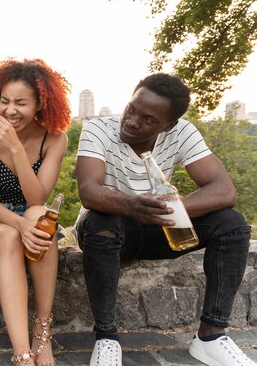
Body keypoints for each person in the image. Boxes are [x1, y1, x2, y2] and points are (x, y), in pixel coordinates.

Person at [75, 73, 254, 366]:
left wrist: (172, 209)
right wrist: (132, 204)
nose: (132, 121)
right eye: (132, 109)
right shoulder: (98, 129)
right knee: (101, 221)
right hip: (114, 229)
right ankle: (106, 338)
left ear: (168, 125)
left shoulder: (182, 132)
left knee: (232, 224)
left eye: (148, 119)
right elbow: (89, 191)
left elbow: (224, 190)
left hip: (161, 226)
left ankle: (211, 336)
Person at [0, 59, 71, 366]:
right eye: (5, 101)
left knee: (39, 214)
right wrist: (18, 224)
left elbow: (37, 196)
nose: (10, 111)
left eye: (21, 103)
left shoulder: (55, 139)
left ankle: (42, 332)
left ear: (40, 104)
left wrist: (15, 148)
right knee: (13, 233)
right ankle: (23, 353)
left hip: (32, 217)